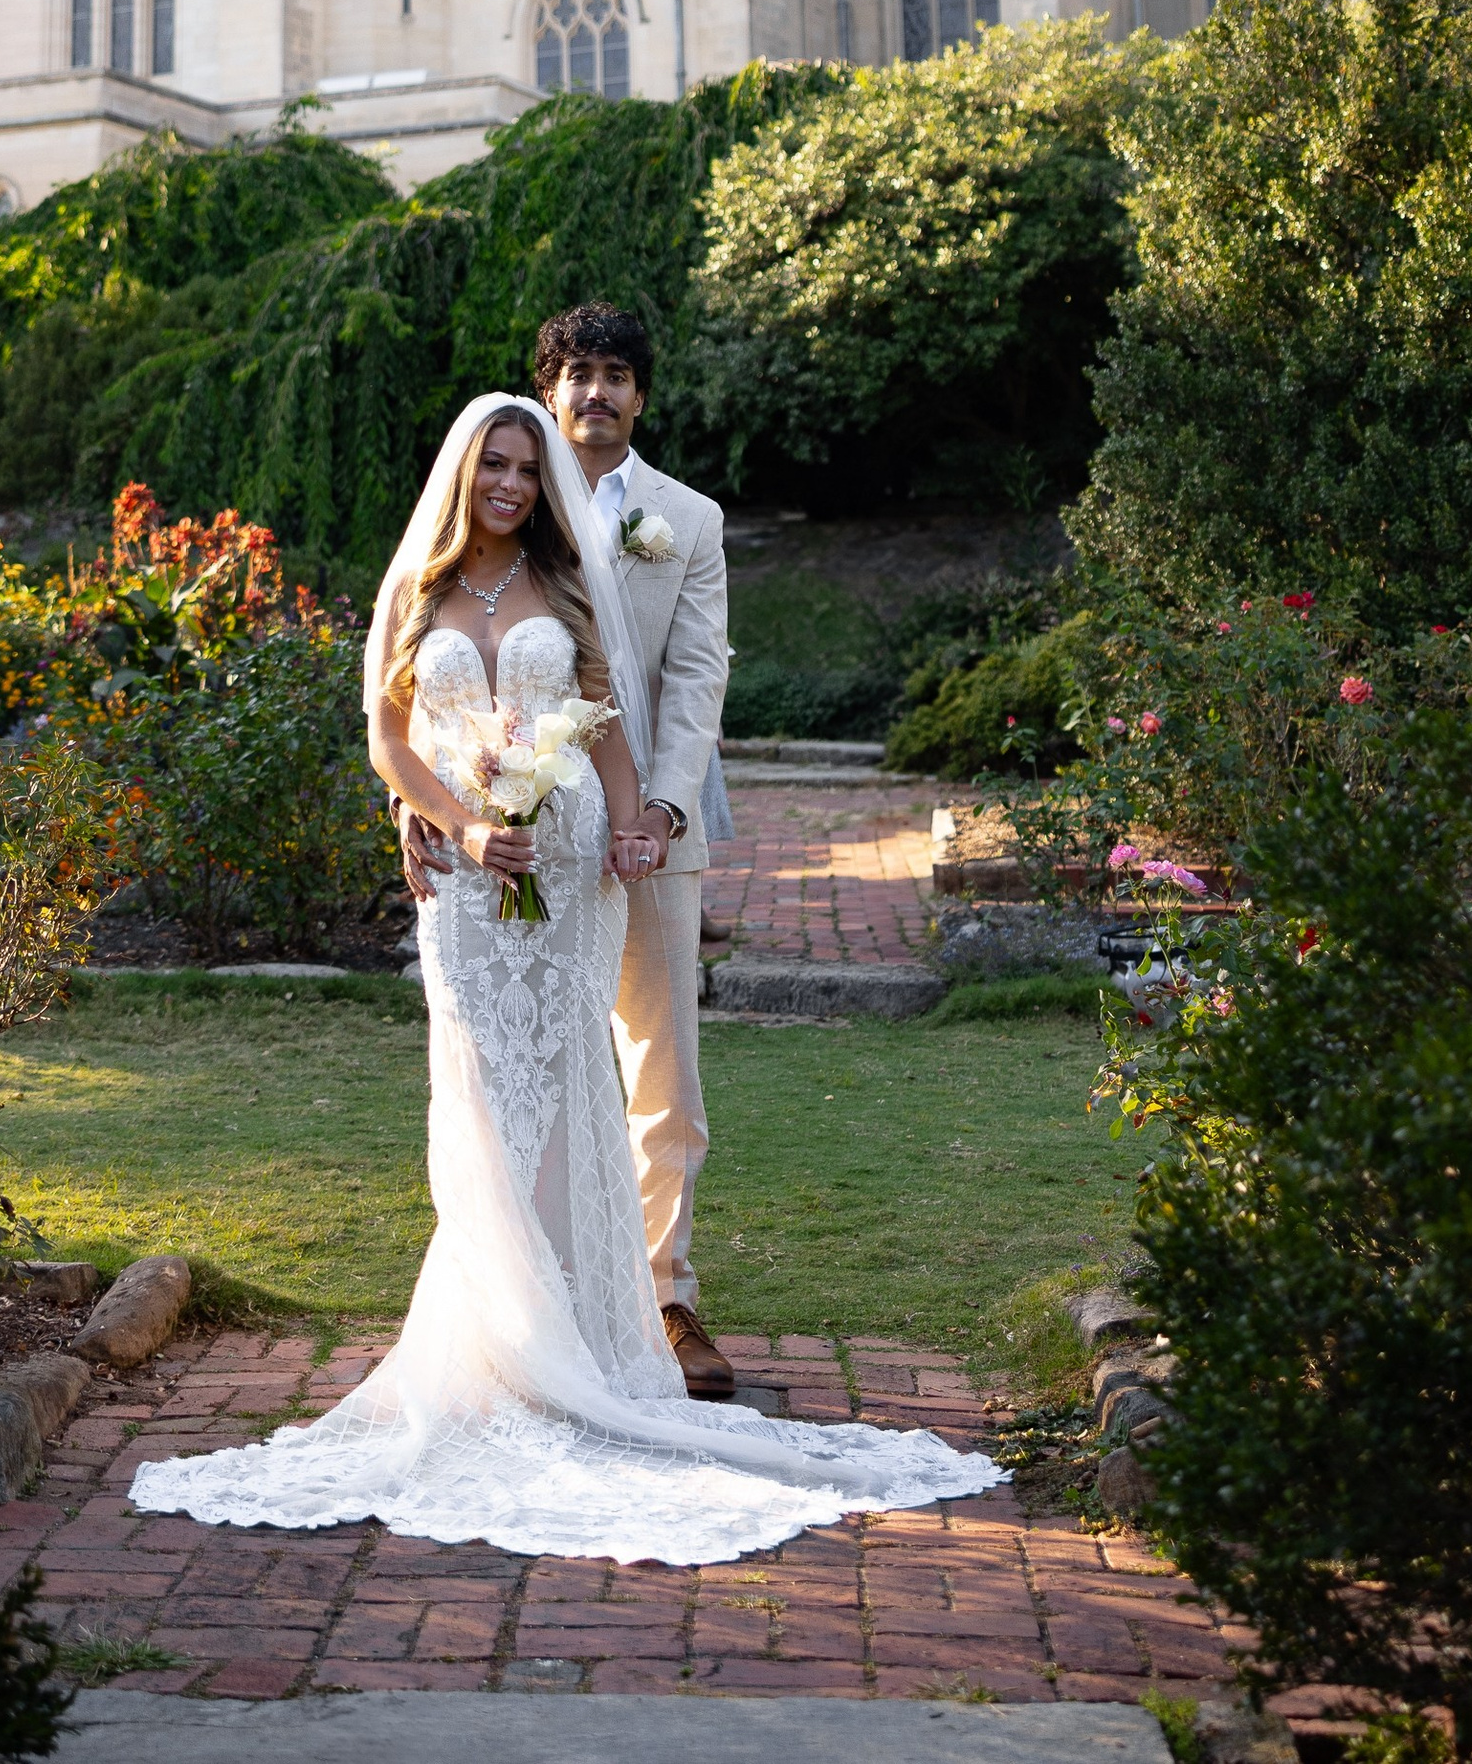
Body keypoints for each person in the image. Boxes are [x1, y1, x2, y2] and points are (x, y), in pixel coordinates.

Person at [127, 392, 999, 1563]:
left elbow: (607, 722)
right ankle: (500, 1335)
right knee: (486, 1084)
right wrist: (452, 819)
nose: (509, 485)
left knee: (575, 1074)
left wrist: (635, 826)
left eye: (526, 471)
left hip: (572, 858)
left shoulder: (565, 586)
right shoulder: (418, 588)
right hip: (471, 876)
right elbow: (388, 736)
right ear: (459, 472)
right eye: (493, 464)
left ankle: (584, 1340)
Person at [405, 302, 735, 1393]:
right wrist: (429, 810)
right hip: (498, 843)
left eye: (617, 374)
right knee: (511, 1064)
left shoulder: (684, 517)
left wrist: (662, 813)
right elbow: (419, 696)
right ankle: (528, 1297)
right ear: (548, 389)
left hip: (638, 830)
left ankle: (666, 1295)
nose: (597, 391)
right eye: (578, 372)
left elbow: (691, 680)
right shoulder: (513, 504)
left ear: (642, 393)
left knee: (659, 1072)